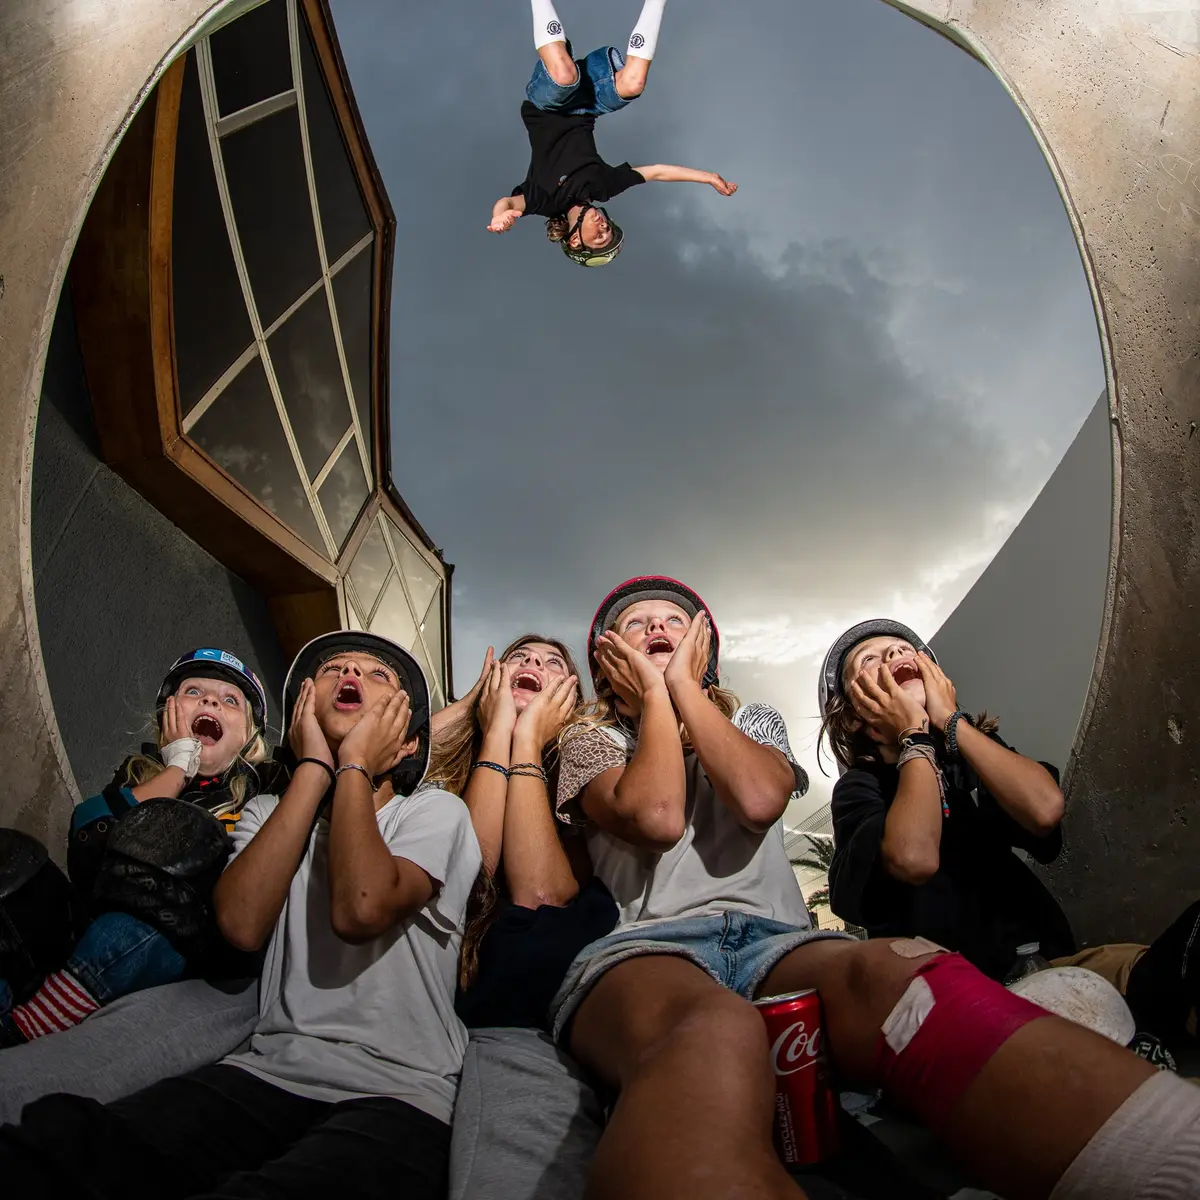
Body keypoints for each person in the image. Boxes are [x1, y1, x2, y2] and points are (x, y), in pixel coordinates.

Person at [546, 576, 1197, 1200]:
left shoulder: (756, 722)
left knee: (898, 974)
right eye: (638, 623)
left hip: (775, 941)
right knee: (713, 1027)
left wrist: (686, 691)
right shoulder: (589, 740)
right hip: (650, 950)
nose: (659, 625)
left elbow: (756, 796)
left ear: (706, 651)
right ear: (608, 662)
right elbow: (656, 816)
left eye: (676, 622)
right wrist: (659, 697)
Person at [0, 631, 481, 1200]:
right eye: (335, 669)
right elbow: (242, 923)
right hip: (267, 1071)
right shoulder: (269, 810)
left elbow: (362, 907)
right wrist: (316, 769)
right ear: (303, 709)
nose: (351, 673)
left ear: (404, 747)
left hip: (402, 1094)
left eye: (377, 675)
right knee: (66, 1148)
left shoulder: (434, 811)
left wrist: (352, 763)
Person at [819, 617, 1200, 1058]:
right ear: (855, 715)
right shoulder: (861, 790)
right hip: (958, 1011)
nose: (892, 654)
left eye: (902, 650)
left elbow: (1043, 809)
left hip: (1055, 969)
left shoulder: (972, 755)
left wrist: (949, 720)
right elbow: (913, 857)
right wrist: (914, 738)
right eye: (869, 660)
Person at [1, 648, 274, 1046]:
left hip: (193, 958)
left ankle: (38, 1023)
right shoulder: (136, 778)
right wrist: (178, 768)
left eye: (230, 700)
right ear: (167, 717)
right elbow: (87, 837)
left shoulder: (264, 799)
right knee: (12, 858)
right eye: (194, 691)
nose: (211, 700)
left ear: (249, 740)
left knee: (183, 835)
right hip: (90, 936)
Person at [428, 635, 617, 1200]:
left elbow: (541, 896)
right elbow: (466, 878)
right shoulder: (454, 761)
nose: (534, 664)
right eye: (521, 657)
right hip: (424, 1005)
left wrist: (527, 741)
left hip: (524, 1020)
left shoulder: (583, 771)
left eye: (553, 662)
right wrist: (479, 714)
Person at [488, 0, 738, 267]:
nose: (603, 227)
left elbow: (507, 204)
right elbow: (656, 172)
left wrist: (499, 217)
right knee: (633, 84)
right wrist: (708, 178)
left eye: (598, 237)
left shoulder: (544, 201)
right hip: (587, 104)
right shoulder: (604, 186)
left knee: (564, 75)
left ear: (574, 240)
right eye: (608, 229)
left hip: (547, 104)